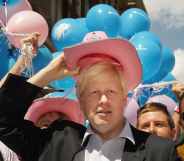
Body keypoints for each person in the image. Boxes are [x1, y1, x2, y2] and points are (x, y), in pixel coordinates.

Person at [0, 31, 179, 161]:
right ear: (82, 100)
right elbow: (4, 121)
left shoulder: (160, 152)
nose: (103, 100)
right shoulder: (57, 138)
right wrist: (48, 73)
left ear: (124, 98)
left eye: (111, 91)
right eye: (94, 92)